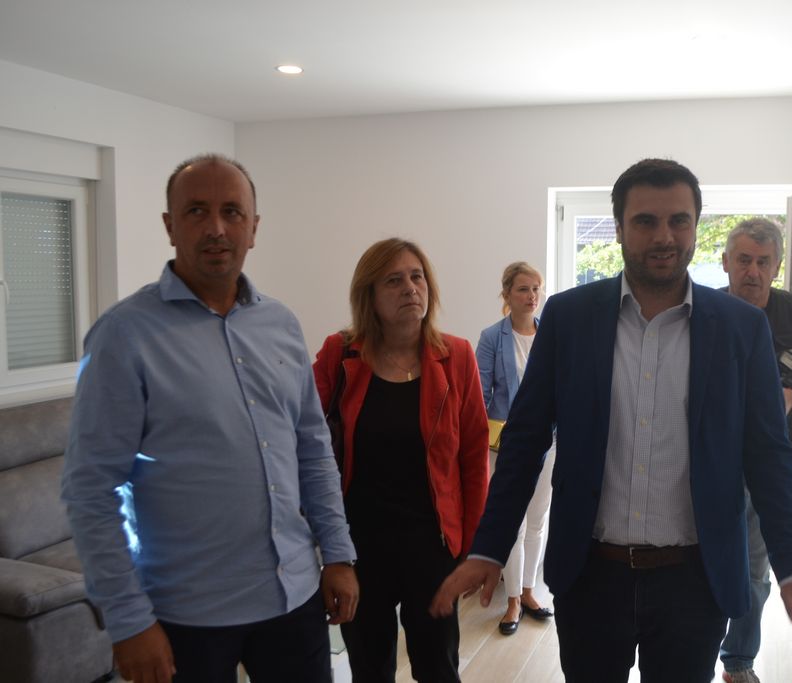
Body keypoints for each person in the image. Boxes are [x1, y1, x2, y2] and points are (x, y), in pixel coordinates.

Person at [430, 158, 792, 683]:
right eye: (645, 221)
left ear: (696, 228)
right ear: (618, 228)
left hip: (694, 583)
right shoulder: (569, 317)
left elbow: (767, 455)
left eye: (679, 221)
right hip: (590, 576)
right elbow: (524, 440)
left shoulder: (741, 328)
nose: (664, 236)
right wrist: (490, 546)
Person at [61, 154, 358, 683]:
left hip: (293, 597)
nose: (216, 228)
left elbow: (311, 448)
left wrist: (337, 552)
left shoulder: (281, 324)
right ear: (170, 226)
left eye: (232, 212)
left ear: (254, 228)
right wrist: (128, 619)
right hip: (186, 617)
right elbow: (92, 489)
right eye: (196, 211)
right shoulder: (124, 336)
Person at [313, 238, 489, 682]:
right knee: (369, 669)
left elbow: (473, 456)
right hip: (359, 549)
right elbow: (305, 442)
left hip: (432, 546)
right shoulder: (340, 354)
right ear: (369, 296)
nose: (410, 288)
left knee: (438, 667)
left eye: (417, 277)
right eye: (393, 280)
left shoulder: (456, 356)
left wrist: (474, 549)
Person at [718, 217, 792, 683]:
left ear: (777, 266)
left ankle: (738, 661)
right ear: (726, 262)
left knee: (754, 566)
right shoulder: (706, 310)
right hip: (714, 459)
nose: (753, 271)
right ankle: (694, 653)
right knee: (704, 561)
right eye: (744, 260)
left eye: (763, 262)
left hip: (776, 460)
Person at [476, 262, 555, 635]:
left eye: (536, 288)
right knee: (514, 522)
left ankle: (527, 592)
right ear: (507, 294)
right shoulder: (493, 337)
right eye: (523, 289)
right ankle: (511, 601)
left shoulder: (550, 335)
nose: (532, 295)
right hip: (506, 444)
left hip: (549, 441)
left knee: (538, 520)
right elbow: (480, 394)